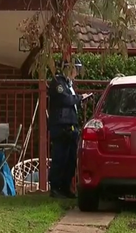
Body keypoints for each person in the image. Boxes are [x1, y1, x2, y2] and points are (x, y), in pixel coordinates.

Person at [48, 57, 89, 199]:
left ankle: (65, 187)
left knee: (71, 159)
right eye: (75, 69)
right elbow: (65, 100)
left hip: (71, 126)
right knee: (60, 158)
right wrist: (79, 98)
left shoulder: (68, 84)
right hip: (61, 127)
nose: (76, 73)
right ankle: (55, 188)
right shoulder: (57, 83)